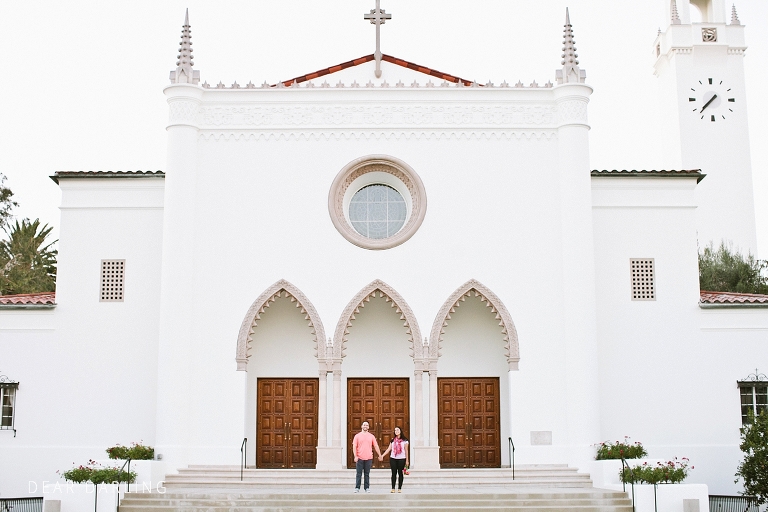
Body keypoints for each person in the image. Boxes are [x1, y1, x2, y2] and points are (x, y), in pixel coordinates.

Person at [352, 420, 382, 493]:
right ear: (361, 426)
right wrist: (355, 456)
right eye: (364, 425)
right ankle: (357, 487)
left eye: (367, 425)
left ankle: (367, 488)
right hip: (359, 457)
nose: (365, 426)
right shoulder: (357, 436)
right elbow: (354, 446)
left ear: (368, 427)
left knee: (367, 474)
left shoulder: (371, 436)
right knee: (358, 474)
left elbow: (376, 446)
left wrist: (380, 455)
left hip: (368, 458)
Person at [379, 426, 409, 493]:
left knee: (400, 473)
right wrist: (382, 455)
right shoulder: (392, 441)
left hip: (402, 459)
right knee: (393, 473)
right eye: (395, 430)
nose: (396, 431)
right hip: (393, 458)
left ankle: (399, 488)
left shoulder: (405, 441)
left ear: (400, 431)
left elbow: (406, 450)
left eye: (397, 430)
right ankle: (393, 488)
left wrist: (407, 460)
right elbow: (389, 449)